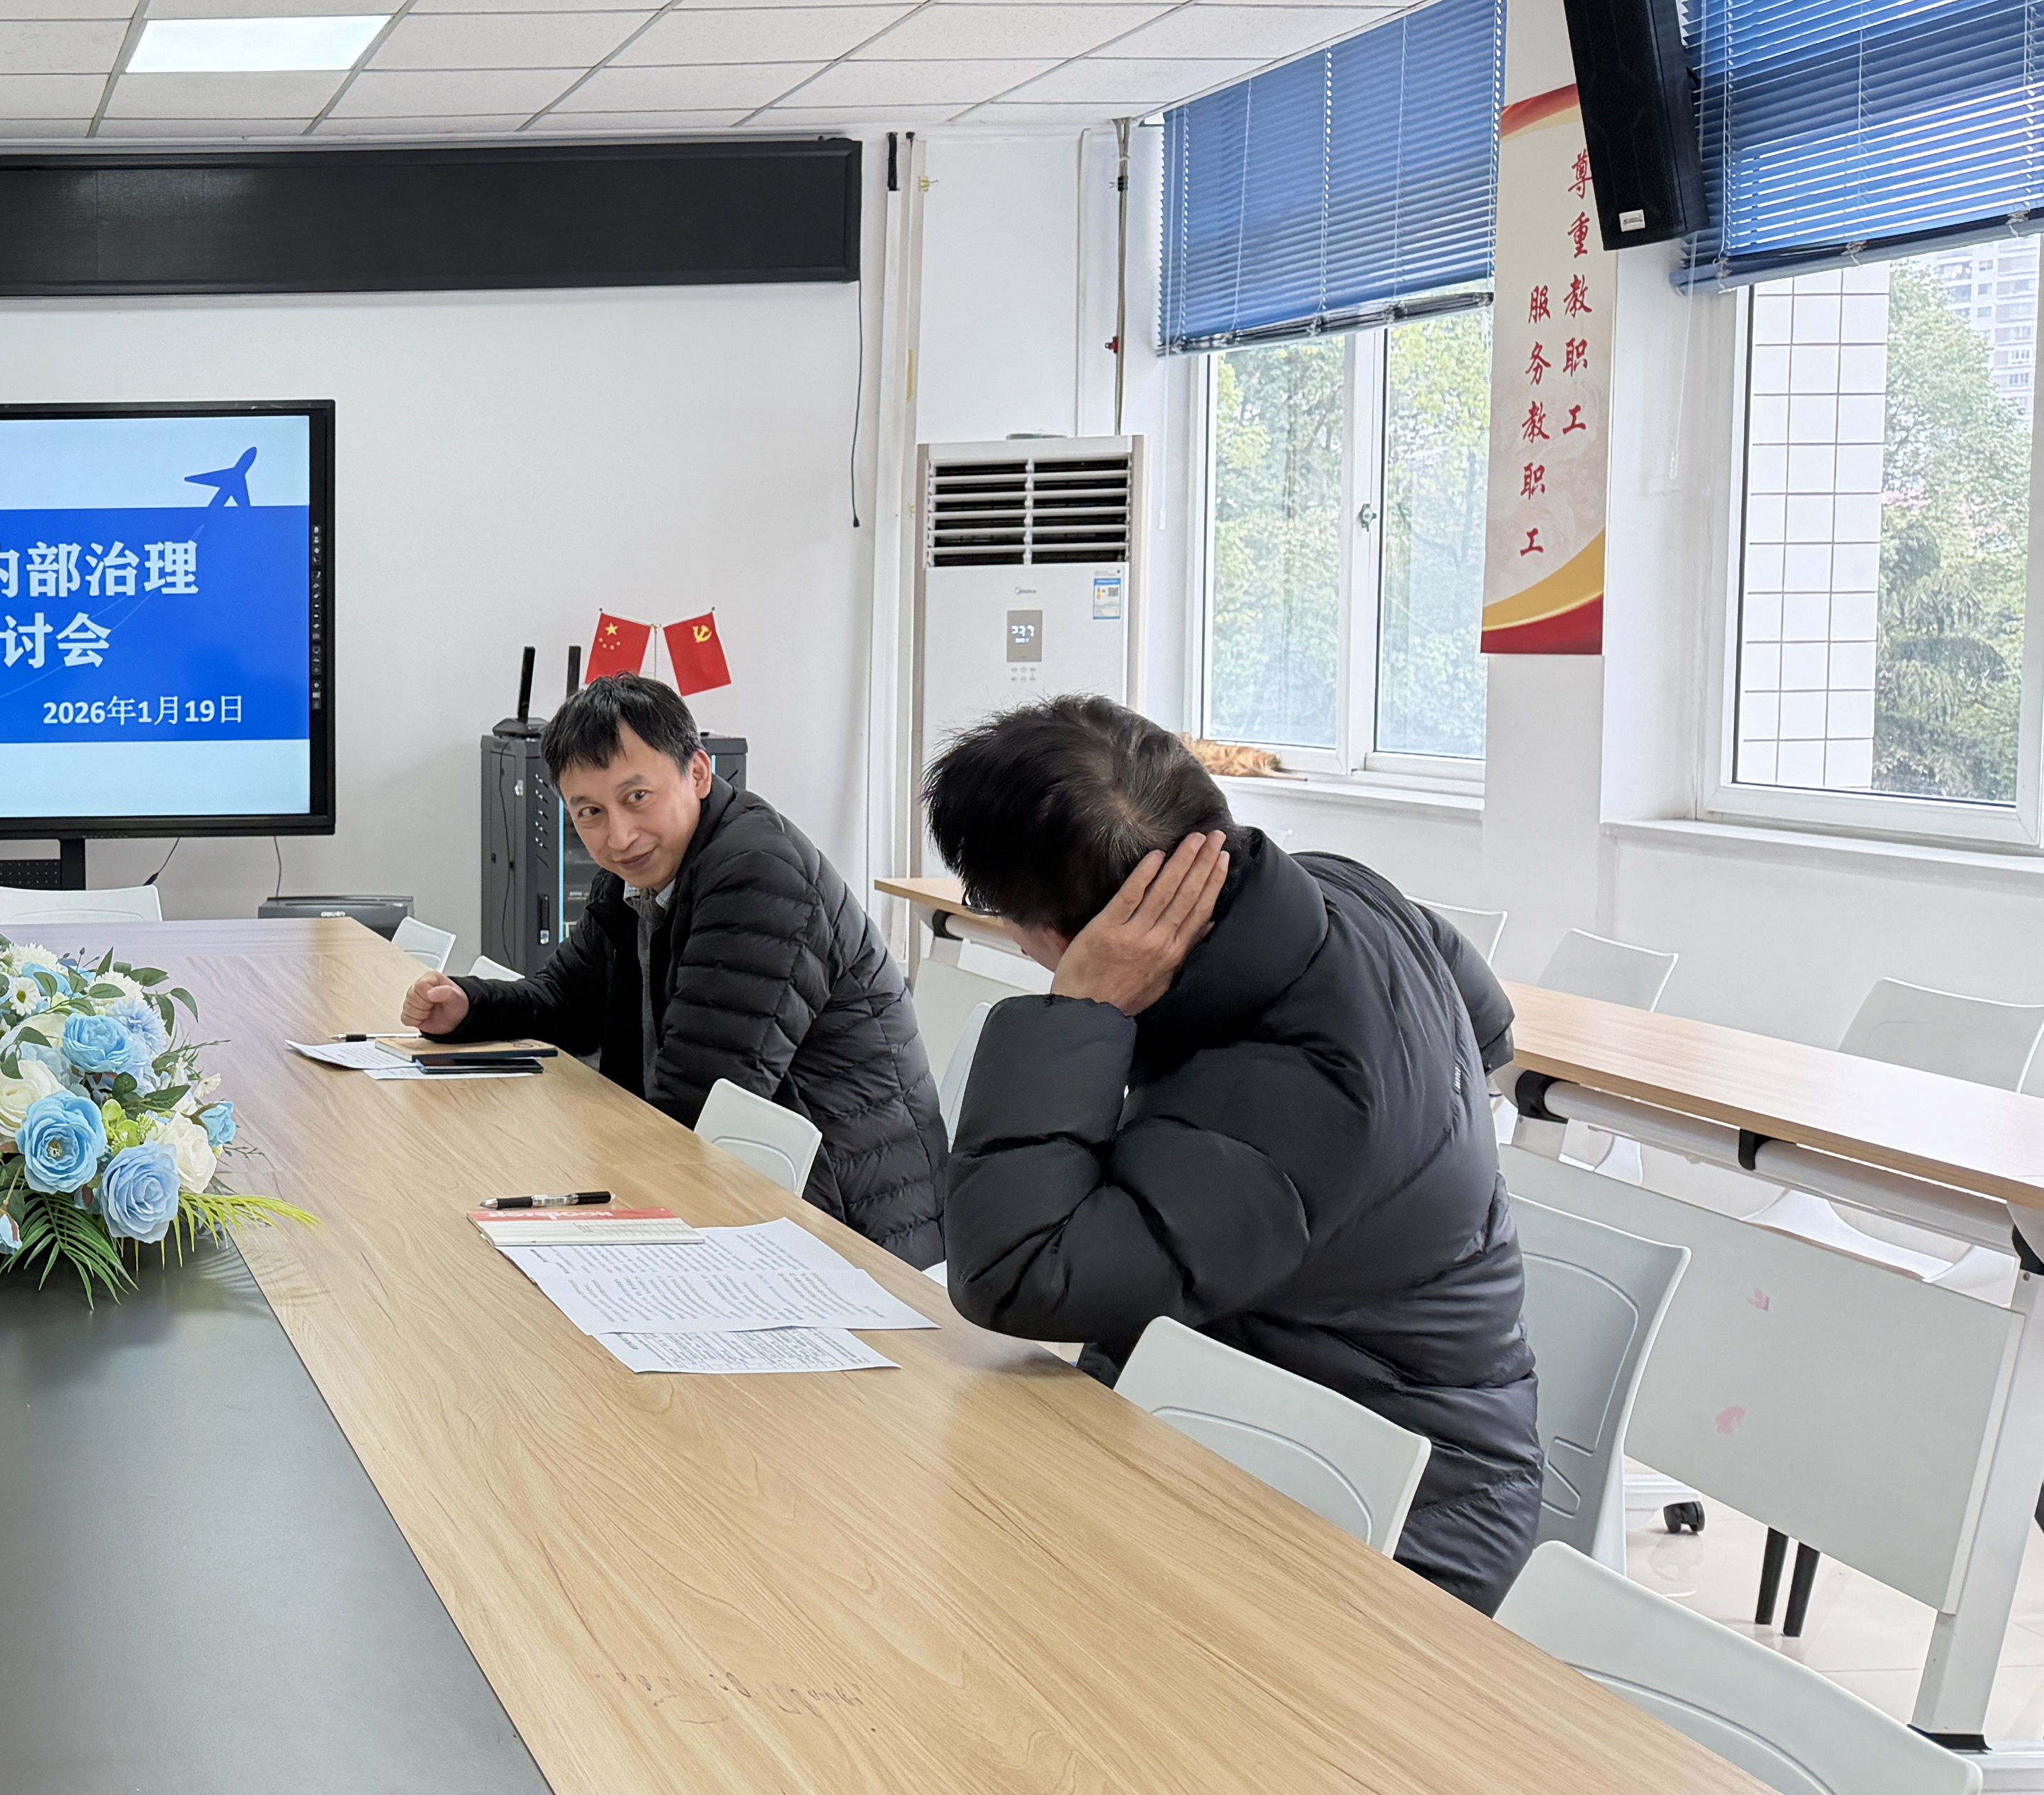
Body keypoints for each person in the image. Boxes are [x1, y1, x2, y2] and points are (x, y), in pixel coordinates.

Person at [929, 694, 1543, 1612]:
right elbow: (1488, 1025)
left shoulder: (1279, 1116)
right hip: (1255, 1411)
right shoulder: (1337, 890)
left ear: (1056, 936)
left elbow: (1015, 1276)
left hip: (1388, 1512)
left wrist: (1079, 1014)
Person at [402, 670, 948, 1265]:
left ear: (698, 772)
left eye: (637, 797)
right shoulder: (638, 874)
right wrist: (470, 1005)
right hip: (741, 1188)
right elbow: (568, 1001)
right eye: (590, 812)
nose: (619, 835)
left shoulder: (758, 875)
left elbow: (701, 1102)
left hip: (847, 1227)